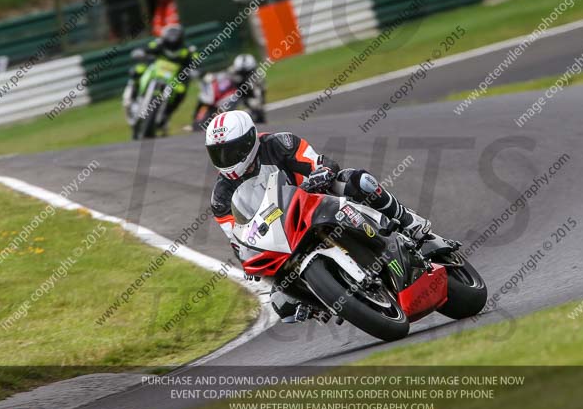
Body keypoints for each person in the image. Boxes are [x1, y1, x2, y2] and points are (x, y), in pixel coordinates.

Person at [207, 110, 431, 252]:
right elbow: (239, 242)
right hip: (280, 233)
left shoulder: (279, 143)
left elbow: (321, 163)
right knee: (279, 299)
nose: (226, 159)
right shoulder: (221, 197)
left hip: (312, 198)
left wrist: (321, 173)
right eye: (219, 154)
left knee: (357, 180)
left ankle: (408, 220)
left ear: (249, 141)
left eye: (232, 151)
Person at [142, 24, 200, 126]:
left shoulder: (187, 50)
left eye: (175, 35)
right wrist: (141, 52)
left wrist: (195, 68)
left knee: (181, 90)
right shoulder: (158, 44)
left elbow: (195, 59)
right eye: (170, 35)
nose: (173, 38)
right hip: (155, 72)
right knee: (138, 71)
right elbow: (147, 49)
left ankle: (166, 113)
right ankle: (135, 96)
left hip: (174, 77)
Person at [229, 53, 266, 123]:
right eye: (241, 73)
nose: (244, 75)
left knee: (256, 105)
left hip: (250, 99)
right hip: (234, 96)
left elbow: (261, 92)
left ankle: (256, 115)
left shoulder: (257, 77)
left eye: (246, 73)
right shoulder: (231, 73)